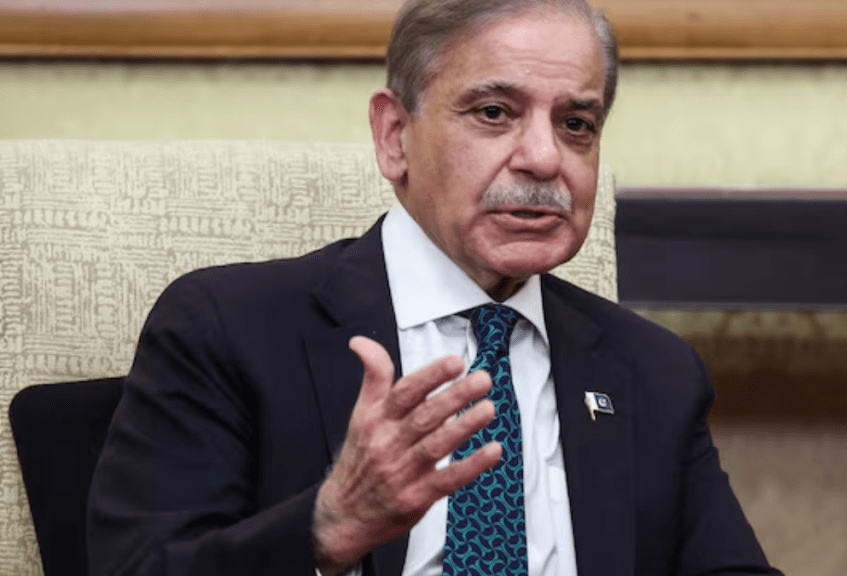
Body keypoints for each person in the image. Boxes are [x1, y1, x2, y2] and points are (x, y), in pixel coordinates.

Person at [87, 0, 782, 575]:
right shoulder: (228, 327)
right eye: (494, 112)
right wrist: (327, 526)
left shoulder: (653, 370)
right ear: (395, 136)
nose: (544, 158)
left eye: (576, 124)